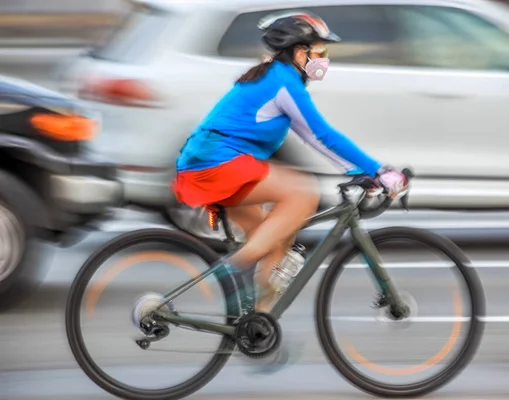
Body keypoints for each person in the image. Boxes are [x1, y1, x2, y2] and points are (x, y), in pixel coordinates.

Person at [172, 10, 407, 371]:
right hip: (214, 166)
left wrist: (364, 171)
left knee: (276, 241)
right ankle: (235, 269)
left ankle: (258, 333)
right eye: (320, 52)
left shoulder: (275, 77)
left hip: (212, 164)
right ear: (299, 54)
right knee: (302, 193)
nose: (324, 60)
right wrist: (377, 172)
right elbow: (320, 136)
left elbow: (313, 137)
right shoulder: (283, 82)